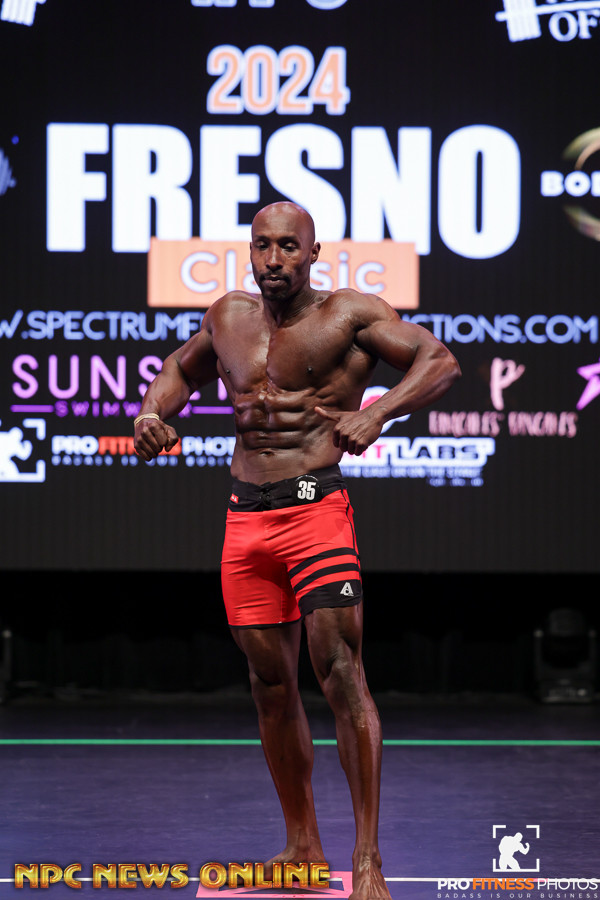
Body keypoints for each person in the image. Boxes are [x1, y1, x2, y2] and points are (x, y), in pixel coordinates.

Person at [134, 201, 461, 900]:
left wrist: (378, 411)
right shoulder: (227, 316)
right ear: (249, 252)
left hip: (315, 512)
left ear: (314, 253)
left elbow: (440, 360)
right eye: (263, 246)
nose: (274, 258)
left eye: (289, 246)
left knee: (340, 673)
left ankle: (367, 859)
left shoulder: (349, 314)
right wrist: (151, 412)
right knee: (270, 684)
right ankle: (302, 848)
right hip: (245, 521)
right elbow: (179, 371)